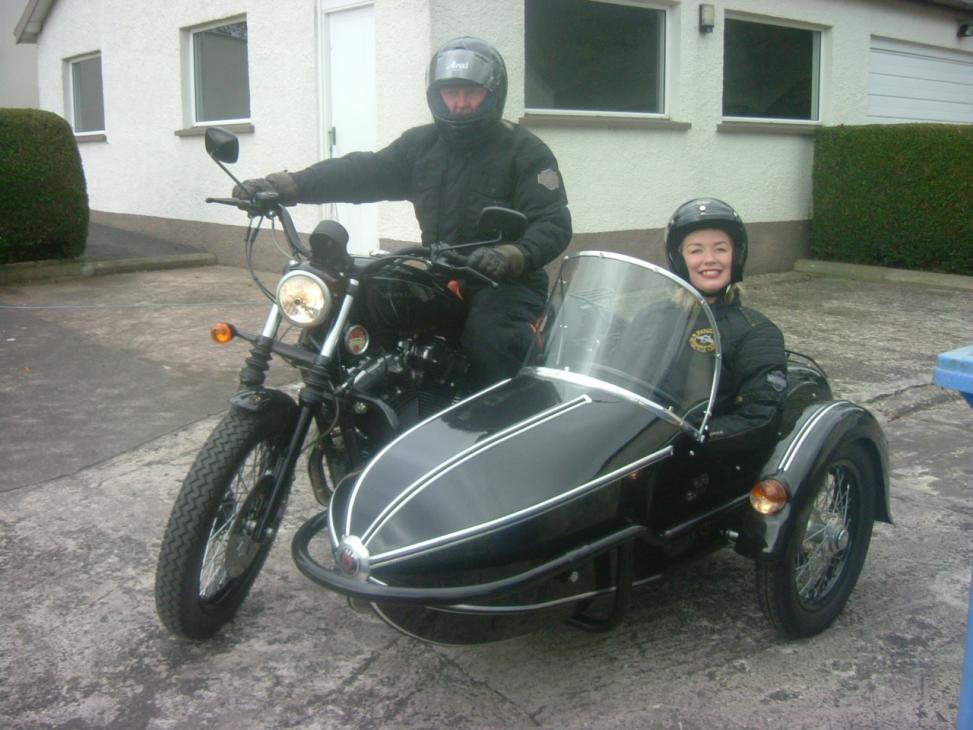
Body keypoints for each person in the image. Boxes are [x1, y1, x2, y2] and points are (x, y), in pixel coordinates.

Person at [232, 37, 572, 388]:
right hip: (444, 270)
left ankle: (497, 423)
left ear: (493, 93)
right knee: (361, 301)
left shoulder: (526, 152)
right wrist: (288, 186)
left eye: (470, 92)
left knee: (490, 342)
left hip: (505, 281)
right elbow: (363, 172)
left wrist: (513, 254)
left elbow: (553, 223)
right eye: (450, 93)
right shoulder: (421, 146)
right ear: (435, 95)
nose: (459, 104)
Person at [663, 198, 788, 454]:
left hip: (701, 457)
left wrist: (691, 434)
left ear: (736, 255)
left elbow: (759, 416)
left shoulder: (756, 331)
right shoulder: (654, 316)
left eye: (720, 249)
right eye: (696, 250)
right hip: (643, 444)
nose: (709, 259)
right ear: (679, 259)